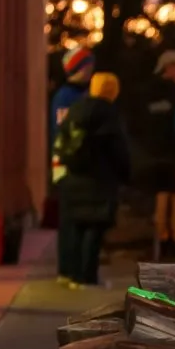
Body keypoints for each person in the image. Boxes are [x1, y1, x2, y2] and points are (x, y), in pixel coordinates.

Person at [51, 73, 131, 288]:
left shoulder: (75, 109)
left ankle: (68, 273)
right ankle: (86, 276)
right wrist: (125, 175)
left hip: (72, 177)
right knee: (94, 228)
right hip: (99, 179)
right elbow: (119, 150)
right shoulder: (110, 114)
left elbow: (62, 140)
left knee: (73, 225)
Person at [144, 49, 175, 259]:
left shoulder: (147, 92)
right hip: (174, 152)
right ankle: (173, 239)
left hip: (152, 152)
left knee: (161, 195)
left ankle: (161, 239)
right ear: (171, 67)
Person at [48, 45, 95, 245]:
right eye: (89, 66)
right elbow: (64, 132)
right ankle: (69, 266)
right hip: (67, 165)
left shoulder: (75, 95)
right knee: (70, 216)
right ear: (80, 68)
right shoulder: (66, 97)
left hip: (72, 163)